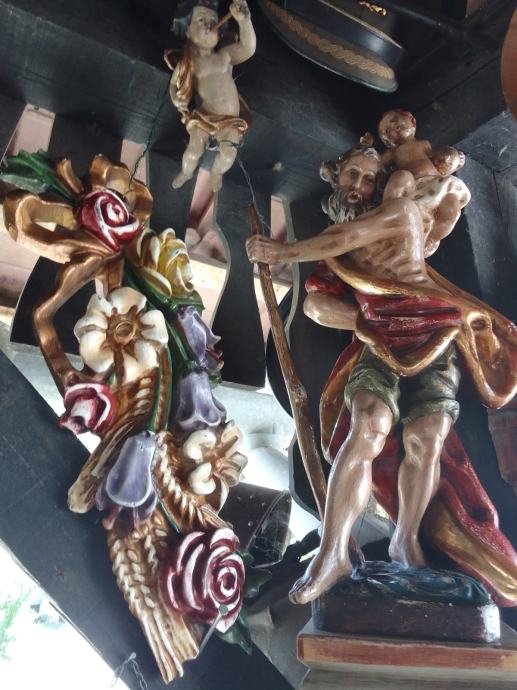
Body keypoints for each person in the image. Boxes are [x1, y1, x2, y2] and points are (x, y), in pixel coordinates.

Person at [246, 137, 517, 606]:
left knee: (427, 438)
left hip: (435, 336)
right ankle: (332, 553)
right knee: (367, 425)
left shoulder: (399, 216)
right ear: (337, 180)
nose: (360, 185)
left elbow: (342, 237)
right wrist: (365, 323)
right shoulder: (342, 257)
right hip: (379, 343)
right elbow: (314, 305)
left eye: (371, 179)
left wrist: (281, 253)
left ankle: (405, 541)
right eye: (352, 174)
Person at [169, 0, 256, 192]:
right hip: (205, 117)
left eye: (213, 20)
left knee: (228, 155)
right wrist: (176, 99)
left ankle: (217, 172)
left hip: (231, 120)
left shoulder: (224, 56)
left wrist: (244, 21)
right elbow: (174, 84)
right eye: (201, 20)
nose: (209, 24)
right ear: (188, 31)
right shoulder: (189, 62)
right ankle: (186, 172)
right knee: (193, 152)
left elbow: (248, 48)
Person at [378, 109, 470, 256]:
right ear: (387, 140)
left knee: (452, 210)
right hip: (416, 186)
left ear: (413, 121)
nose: (394, 126)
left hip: (438, 183)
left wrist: (454, 160)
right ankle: (389, 221)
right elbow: (377, 165)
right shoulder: (393, 152)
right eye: (387, 130)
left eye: (395, 119)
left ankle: (431, 239)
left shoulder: (424, 144)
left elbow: (439, 163)